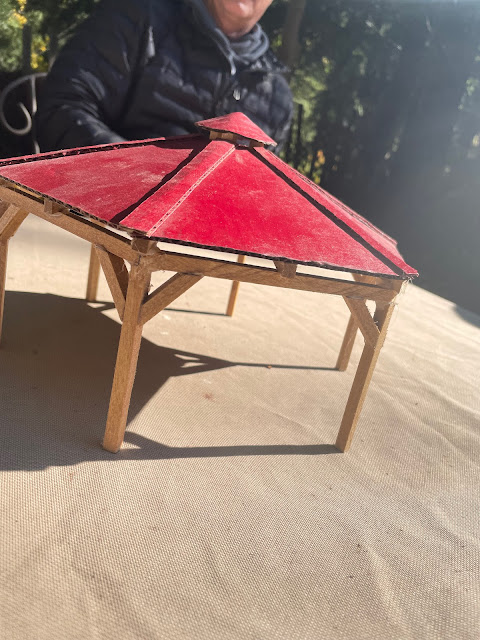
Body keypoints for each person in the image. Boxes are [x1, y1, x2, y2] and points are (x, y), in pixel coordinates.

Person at [36, 0, 293, 152]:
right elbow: (62, 109)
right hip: (93, 219)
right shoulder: (138, 17)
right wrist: (138, 174)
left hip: (197, 230)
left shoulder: (277, 98)